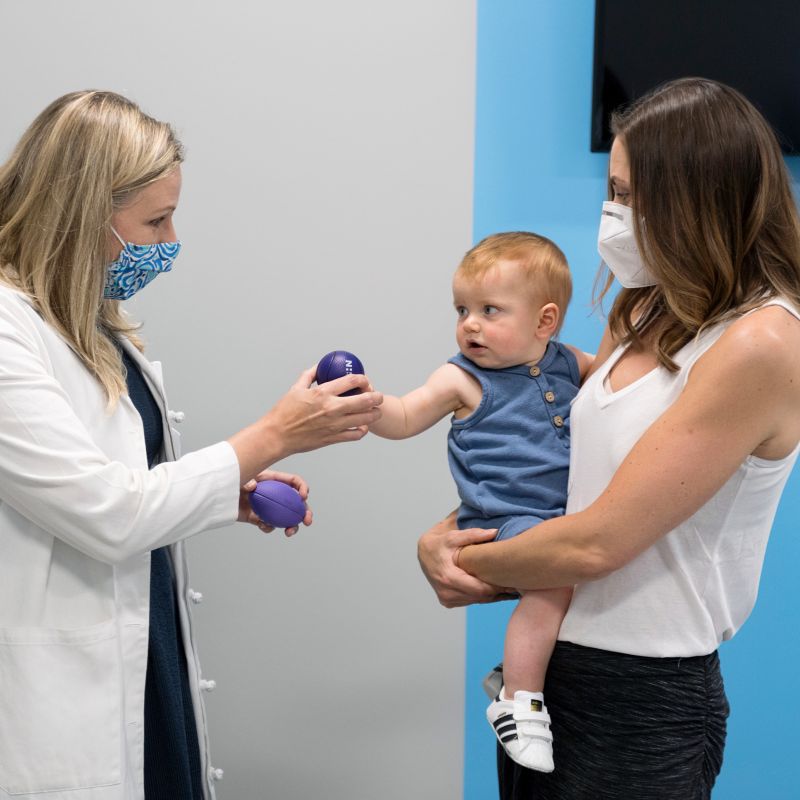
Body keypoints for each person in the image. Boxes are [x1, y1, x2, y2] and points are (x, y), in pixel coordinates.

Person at [417, 77, 800, 799]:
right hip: (551, 671)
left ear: (695, 198)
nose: (611, 214)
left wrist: (474, 561)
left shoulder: (762, 343)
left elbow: (599, 542)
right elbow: (571, 476)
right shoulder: (647, 303)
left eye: (627, 195)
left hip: (644, 694)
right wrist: (445, 538)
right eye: (611, 191)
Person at [0, 90, 382, 800]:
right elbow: (108, 513)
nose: (170, 242)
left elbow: (124, 481)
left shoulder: (94, 327)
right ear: (86, 216)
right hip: (57, 700)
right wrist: (274, 436)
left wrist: (222, 497)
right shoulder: (6, 331)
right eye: (155, 220)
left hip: (145, 660)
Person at [371, 232, 592, 771]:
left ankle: (516, 674)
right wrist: (366, 405)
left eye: (490, 310)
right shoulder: (461, 378)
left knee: (569, 592)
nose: (470, 323)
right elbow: (403, 417)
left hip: (560, 515)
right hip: (502, 519)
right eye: (463, 309)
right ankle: (518, 699)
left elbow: (618, 370)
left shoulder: (565, 362)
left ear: (544, 322)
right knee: (552, 584)